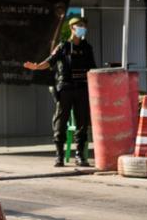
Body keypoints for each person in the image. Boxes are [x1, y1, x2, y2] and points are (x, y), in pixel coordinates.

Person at [23, 16, 97, 167]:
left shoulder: (87, 48)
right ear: (72, 28)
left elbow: (93, 69)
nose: (82, 28)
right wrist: (37, 67)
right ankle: (60, 155)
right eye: (79, 25)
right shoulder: (63, 46)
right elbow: (50, 61)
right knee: (60, 121)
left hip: (82, 88)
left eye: (84, 25)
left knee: (82, 122)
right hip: (66, 88)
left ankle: (80, 155)